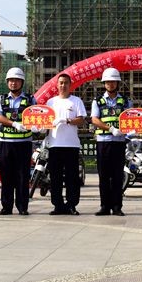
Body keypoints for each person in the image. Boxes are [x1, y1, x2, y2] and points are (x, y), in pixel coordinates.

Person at [0, 67, 36, 215]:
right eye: (11, 80)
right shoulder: (1, 99)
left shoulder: (30, 99)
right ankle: (6, 206)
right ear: (7, 82)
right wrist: (14, 124)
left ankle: (23, 207)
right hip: (6, 143)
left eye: (17, 80)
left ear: (22, 82)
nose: (13, 83)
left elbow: (37, 116)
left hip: (24, 144)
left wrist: (38, 127)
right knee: (6, 176)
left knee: (23, 177)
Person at [91, 67, 132, 216]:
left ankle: (117, 206)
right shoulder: (98, 101)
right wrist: (110, 128)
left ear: (118, 83)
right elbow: (95, 119)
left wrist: (130, 131)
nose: (110, 84)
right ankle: (104, 206)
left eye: (113, 81)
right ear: (104, 83)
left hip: (119, 142)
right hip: (103, 142)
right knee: (103, 175)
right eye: (108, 82)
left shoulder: (126, 101)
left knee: (117, 175)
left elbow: (130, 118)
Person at [46, 73, 88, 215]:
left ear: (70, 85)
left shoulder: (76, 101)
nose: (63, 85)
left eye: (66, 83)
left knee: (72, 178)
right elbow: (45, 121)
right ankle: (57, 205)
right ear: (57, 85)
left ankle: (71, 205)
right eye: (61, 83)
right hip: (54, 145)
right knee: (55, 178)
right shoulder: (50, 102)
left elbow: (81, 120)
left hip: (71, 145)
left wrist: (67, 120)